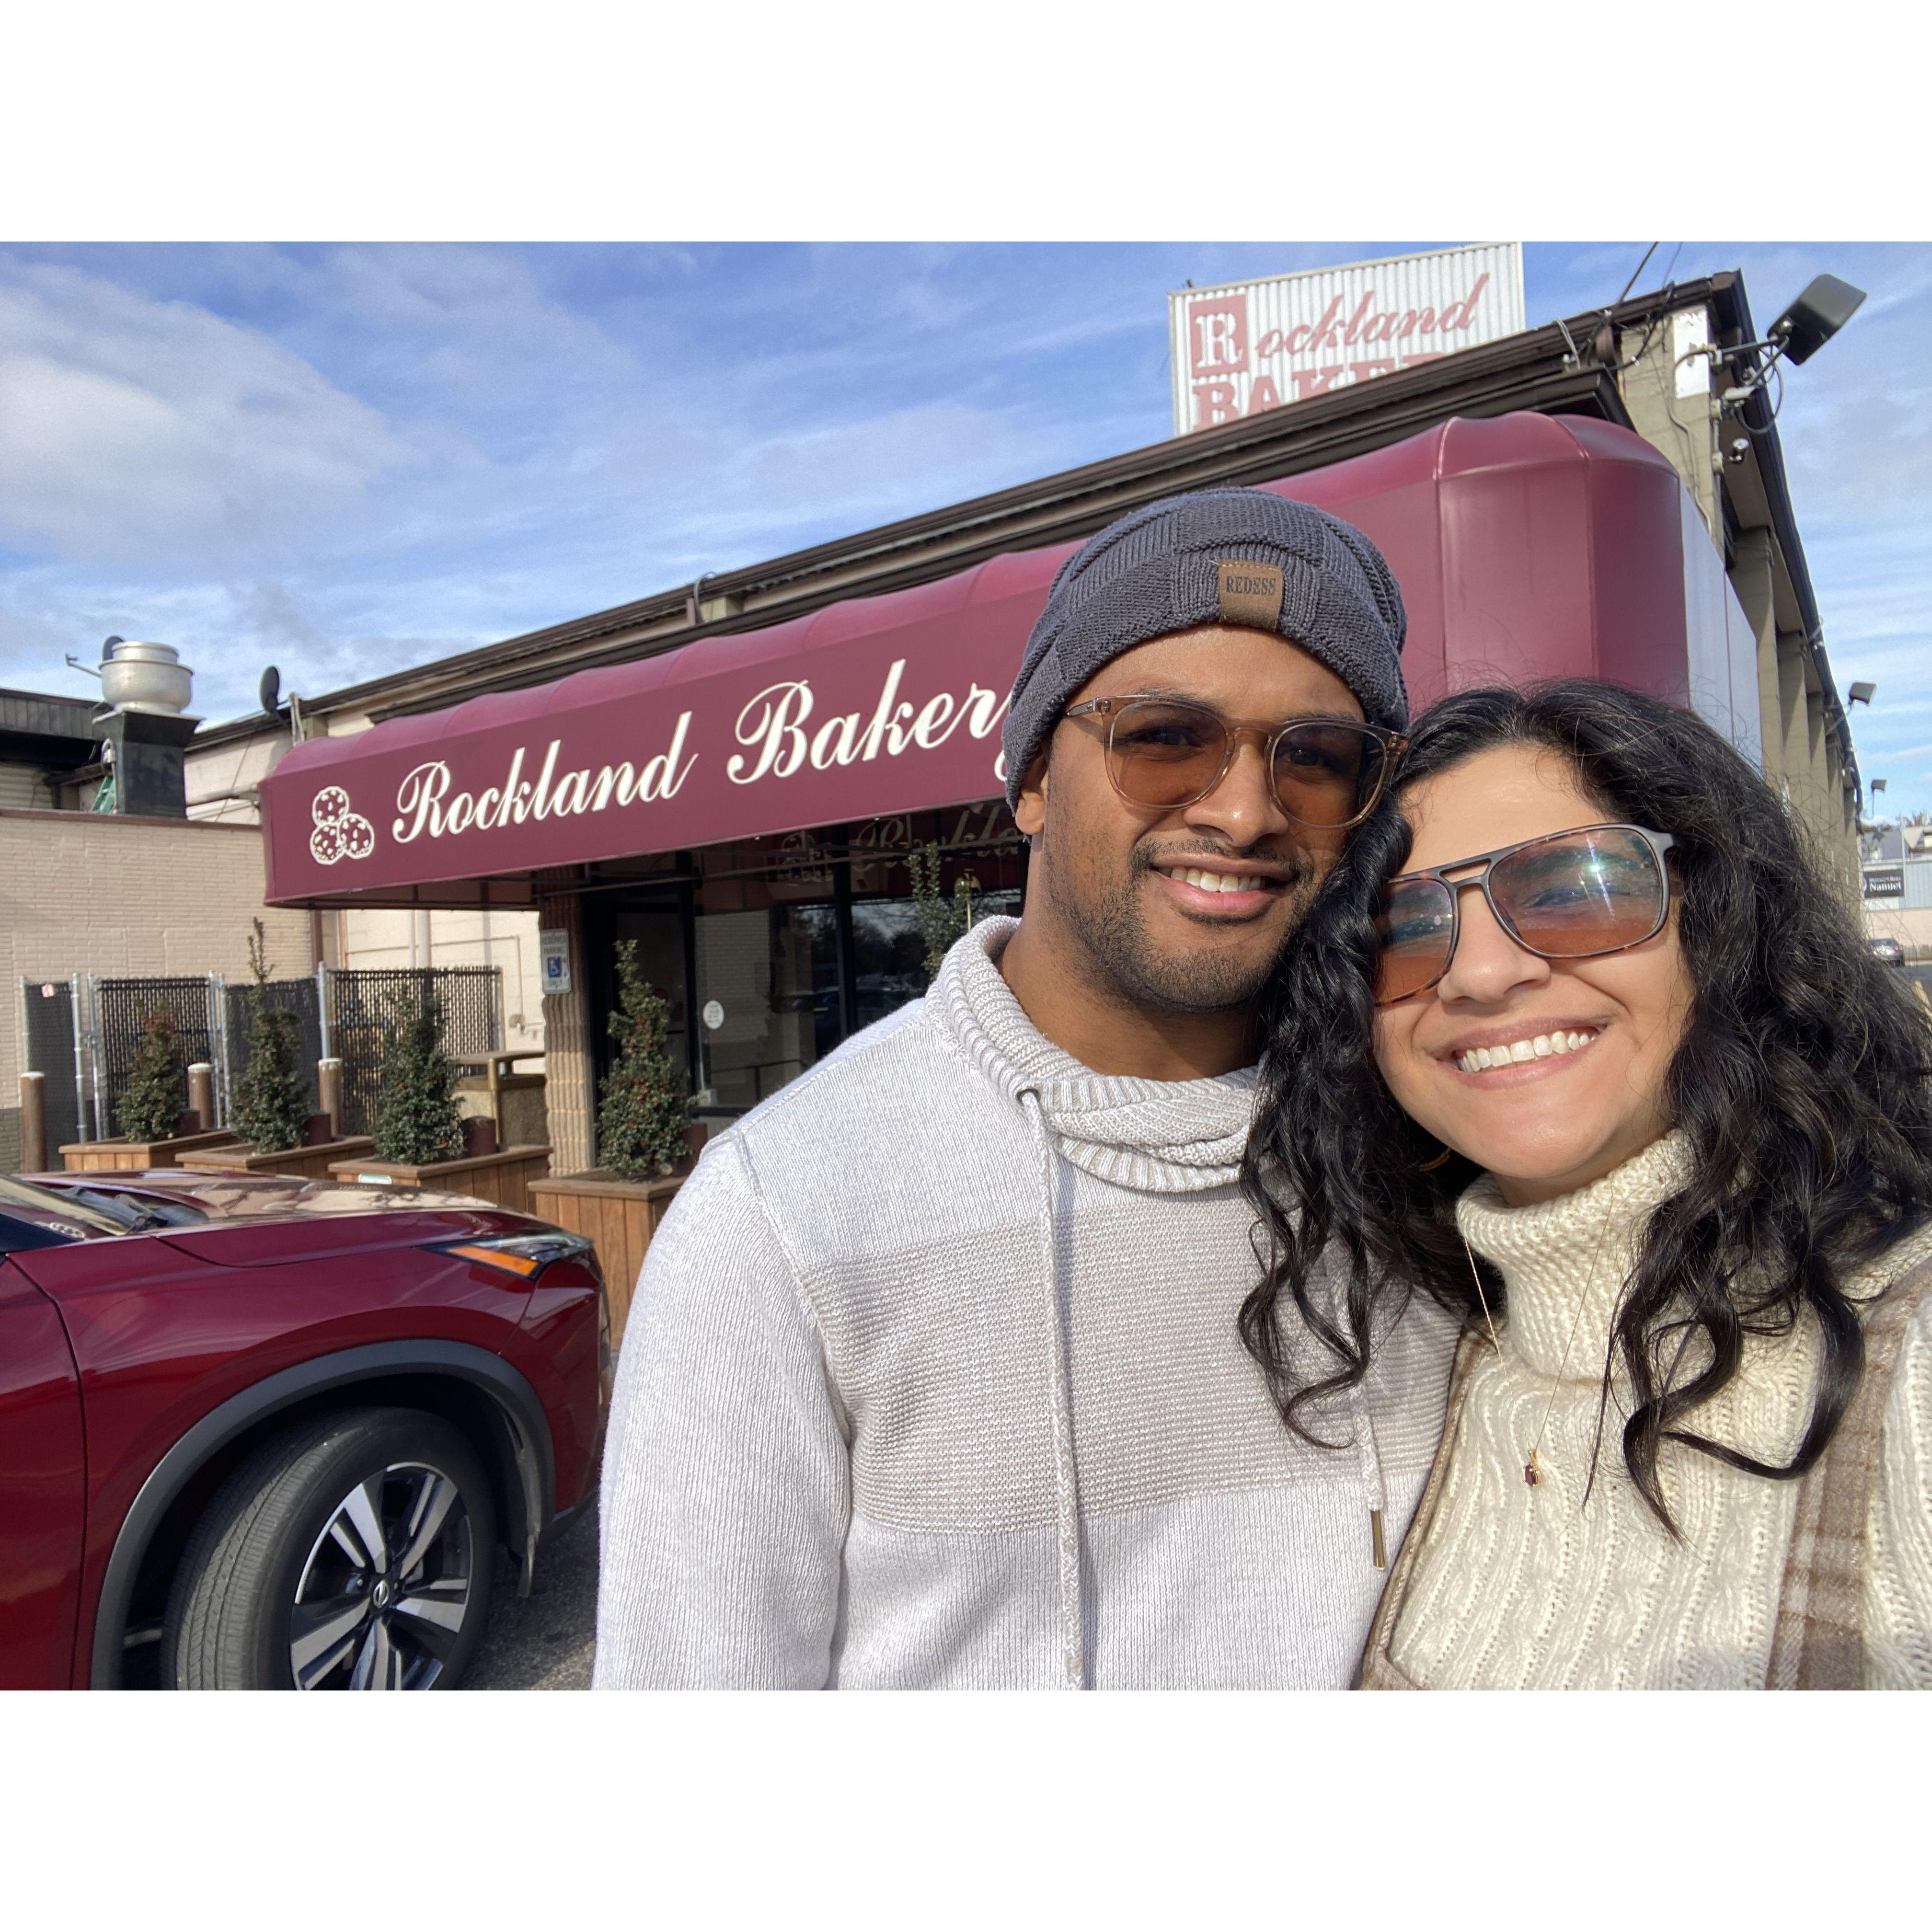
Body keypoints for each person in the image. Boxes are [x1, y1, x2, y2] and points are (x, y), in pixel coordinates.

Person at [595, 488, 1461, 1689]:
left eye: (1316, 759)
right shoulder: (783, 1216)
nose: (1245, 809)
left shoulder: (1425, 1152)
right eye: (1164, 737)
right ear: (1032, 777)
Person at [1242, 679, 1932, 1689]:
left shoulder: (1904, 1358)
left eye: (1572, 887)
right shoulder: (1414, 1357)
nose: (1479, 975)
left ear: (1720, 922)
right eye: (1401, 930)